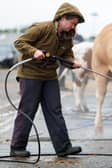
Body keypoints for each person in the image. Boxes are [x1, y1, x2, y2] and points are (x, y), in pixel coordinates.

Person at [10, 2, 85, 157]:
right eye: (72, 23)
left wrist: (71, 62)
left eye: (75, 25)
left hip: (50, 76)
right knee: (28, 110)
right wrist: (34, 51)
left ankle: (63, 147)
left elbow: (67, 54)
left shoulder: (67, 37)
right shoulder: (42, 28)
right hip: (30, 75)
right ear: (62, 18)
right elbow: (19, 42)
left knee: (55, 110)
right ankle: (17, 147)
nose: (73, 27)